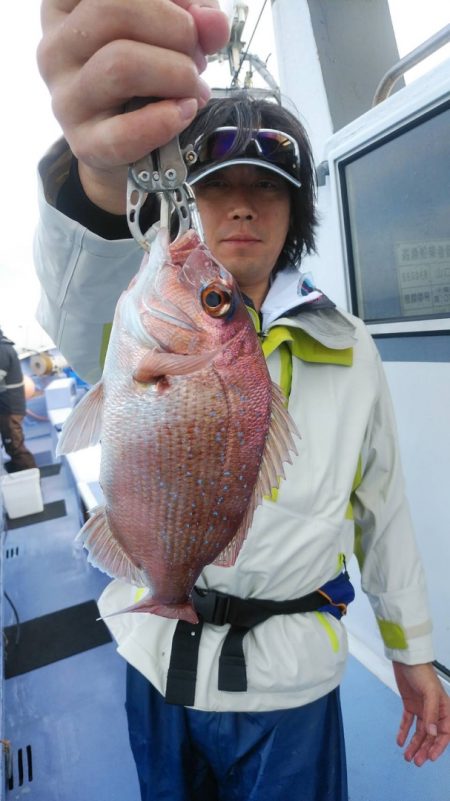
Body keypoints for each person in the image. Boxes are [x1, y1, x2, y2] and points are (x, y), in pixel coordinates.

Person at [35, 2, 450, 799]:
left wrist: (413, 654)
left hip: (288, 690)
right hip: (155, 657)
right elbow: (75, 306)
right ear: (189, 199)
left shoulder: (349, 345)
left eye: (271, 187)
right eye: (221, 184)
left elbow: (384, 514)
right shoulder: (141, 307)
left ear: (298, 213)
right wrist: (95, 176)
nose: (244, 205)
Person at [0, 327, 37, 473]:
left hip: (10, 408)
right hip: (9, 407)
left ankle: (31, 479)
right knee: (11, 444)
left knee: (15, 446)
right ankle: (19, 471)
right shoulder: (5, 347)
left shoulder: (2, 350)